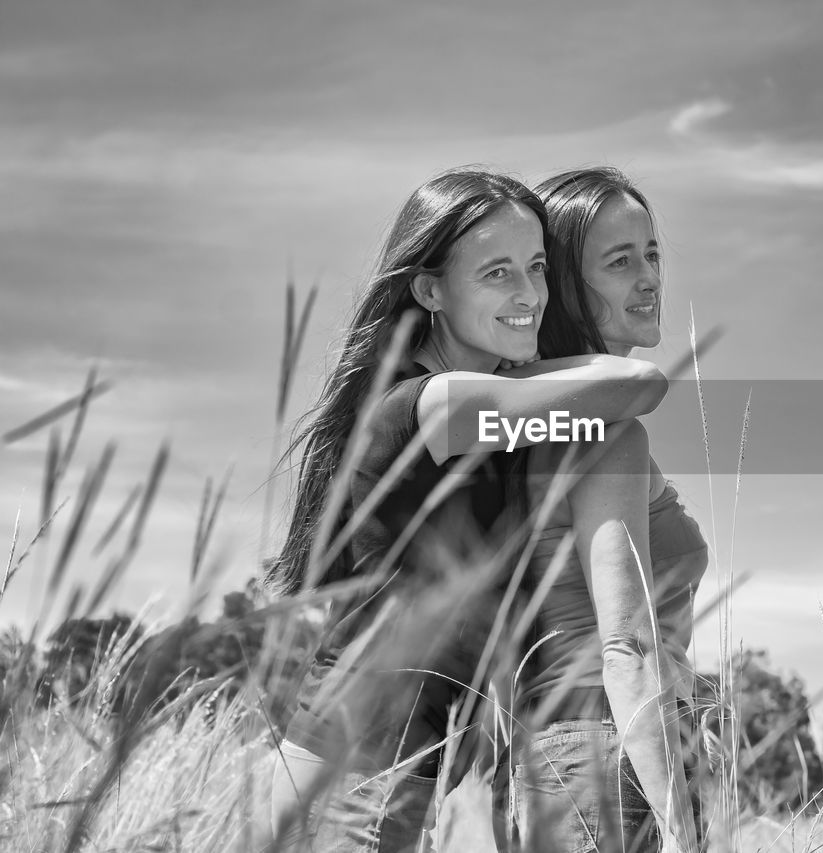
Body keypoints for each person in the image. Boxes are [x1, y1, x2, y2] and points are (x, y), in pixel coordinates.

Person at [266, 167, 668, 852]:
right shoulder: (430, 406)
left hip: (363, 773)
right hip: (357, 781)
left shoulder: (474, 417)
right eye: (497, 274)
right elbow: (639, 382)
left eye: (538, 268)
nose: (529, 296)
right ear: (430, 290)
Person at [502, 167, 709, 853]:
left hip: (556, 758)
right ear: (565, 285)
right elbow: (627, 646)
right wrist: (681, 824)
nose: (649, 277)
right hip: (609, 759)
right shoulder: (608, 435)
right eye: (620, 262)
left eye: (651, 253)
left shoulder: (534, 421)